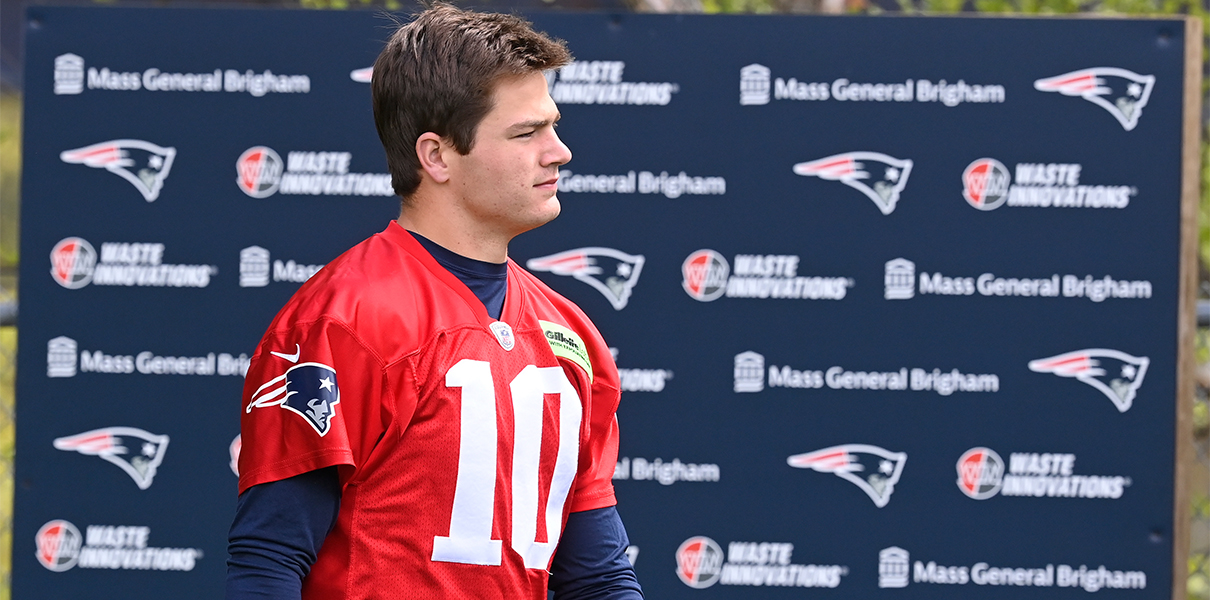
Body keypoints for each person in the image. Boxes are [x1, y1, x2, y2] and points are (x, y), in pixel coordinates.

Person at [225, 5, 643, 599]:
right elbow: (269, 560)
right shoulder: (342, 321)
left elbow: (599, 577)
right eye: (527, 133)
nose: (559, 152)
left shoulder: (571, 335)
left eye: (552, 126)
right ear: (437, 156)